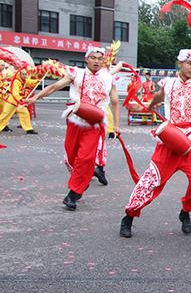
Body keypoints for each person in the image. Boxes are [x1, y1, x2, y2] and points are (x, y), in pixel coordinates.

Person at [119, 28, 191, 238]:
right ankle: (129, 216)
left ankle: (186, 212)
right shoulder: (168, 83)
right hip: (169, 140)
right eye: (188, 63)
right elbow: (157, 99)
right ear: (179, 63)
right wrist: (145, 107)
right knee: (151, 180)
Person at [25, 47, 120, 211]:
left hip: (95, 123)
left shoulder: (108, 78)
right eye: (93, 58)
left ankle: (74, 193)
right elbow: (54, 87)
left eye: (100, 58)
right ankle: (82, 179)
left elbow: (115, 101)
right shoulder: (76, 73)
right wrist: (36, 97)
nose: (97, 61)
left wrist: (116, 126)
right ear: (87, 59)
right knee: (71, 155)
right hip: (75, 121)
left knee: (86, 158)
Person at [0, 70, 40, 134]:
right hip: (12, 102)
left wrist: (37, 81)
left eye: (25, 74)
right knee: (5, 115)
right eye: (23, 74)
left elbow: (29, 82)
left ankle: (29, 129)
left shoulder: (24, 81)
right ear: (19, 74)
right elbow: (15, 94)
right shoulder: (16, 81)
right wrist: (21, 100)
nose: (25, 76)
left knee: (25, 113)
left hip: (19, 103)